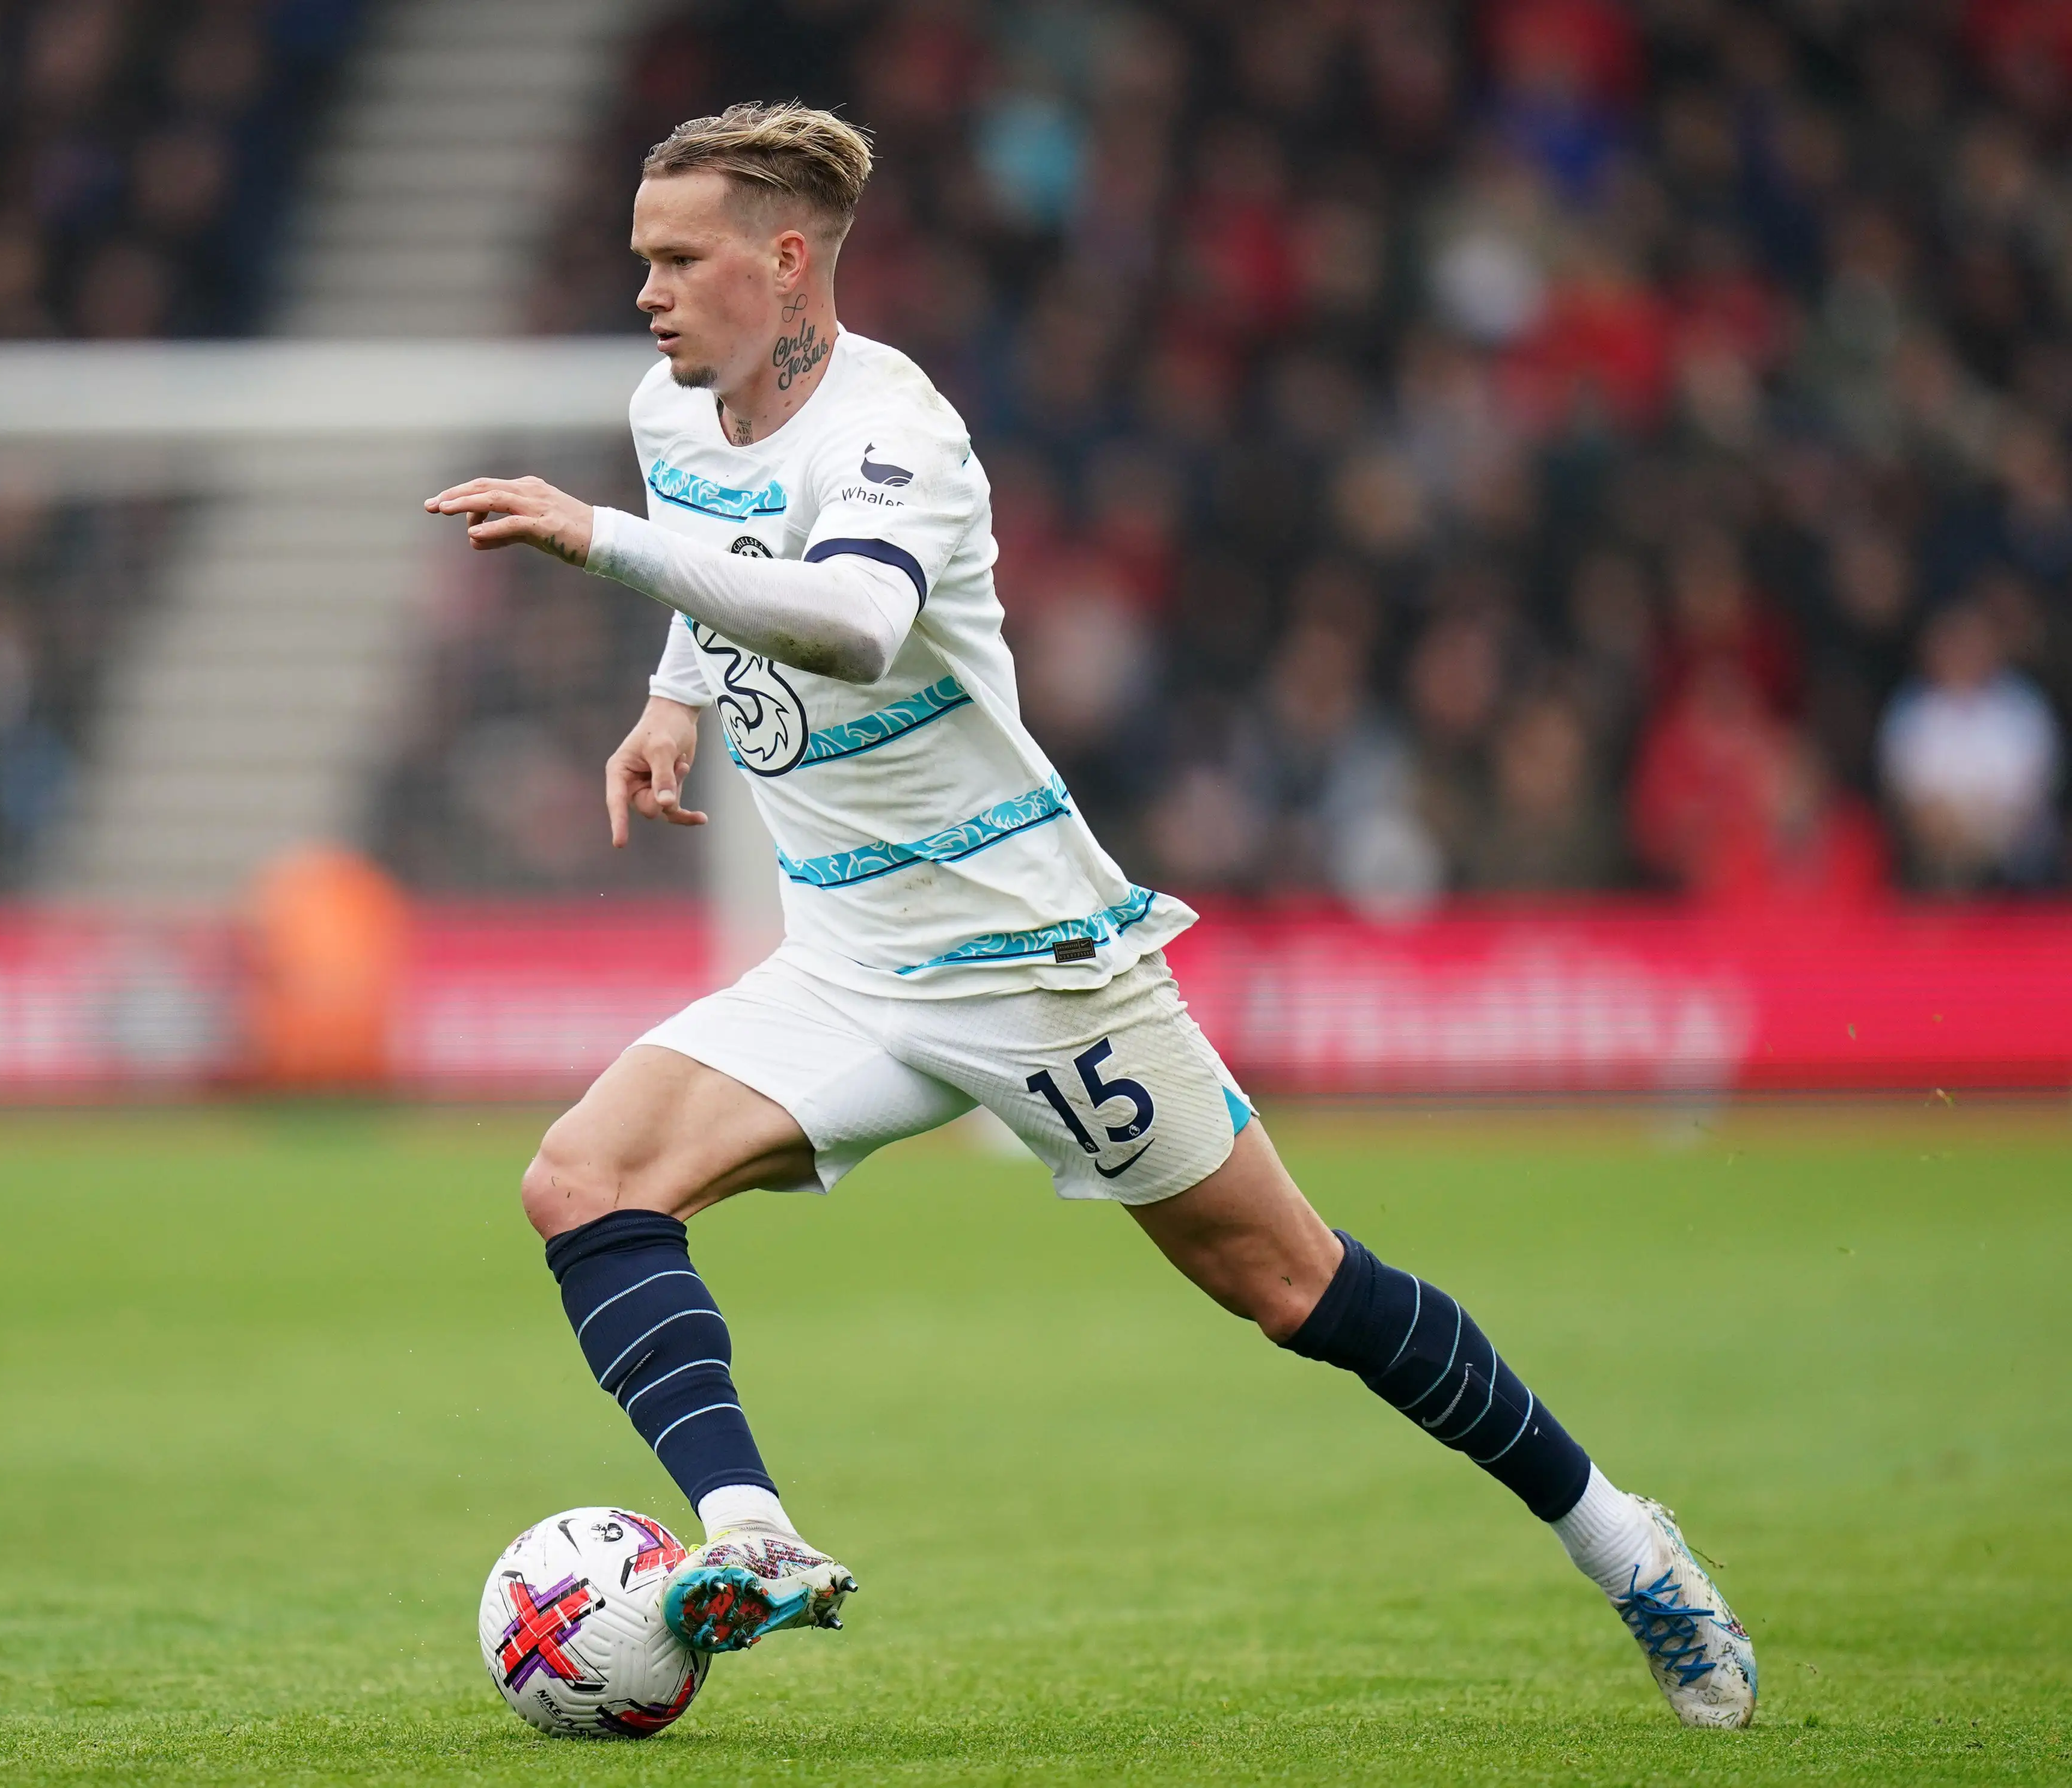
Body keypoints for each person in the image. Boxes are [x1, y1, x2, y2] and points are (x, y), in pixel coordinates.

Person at [425, 101, 1756, 1730]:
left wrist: (602, 546)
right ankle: (750, 1533)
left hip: (1036, 960)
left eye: (678, 260)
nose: (648, 294)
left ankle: (1623, 1539)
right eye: (641, 261)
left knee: (1295, 1286)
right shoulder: (671, 410)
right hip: (846, 957)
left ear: (785, 266)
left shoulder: (897, 428)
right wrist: (671, 699)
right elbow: (724, 560)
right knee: (582, 1179)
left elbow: (851, 619)